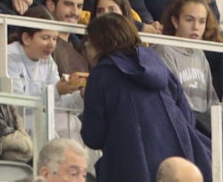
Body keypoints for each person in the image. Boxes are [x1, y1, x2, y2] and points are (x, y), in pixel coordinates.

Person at [80, 13, 211, 182]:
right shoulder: (157, 64)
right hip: (179, 159)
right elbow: (186, 115)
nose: (87, 49)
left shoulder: (101, 76)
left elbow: (93, 136)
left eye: (88, 43)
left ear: (99, 43)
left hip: (127, 167)